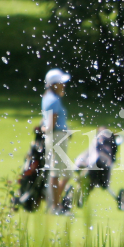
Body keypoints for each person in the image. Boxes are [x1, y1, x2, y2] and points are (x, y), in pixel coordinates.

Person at [41, 68, 73, 214]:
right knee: (56, 172)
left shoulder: (50, 98)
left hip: (58, 136)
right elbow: (51, 125)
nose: (63, 85)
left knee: (66, 173)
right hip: (57, 138)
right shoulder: (53, 100)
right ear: (53, 84)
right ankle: (54, 206)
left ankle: (55, 203)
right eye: (61, 83)